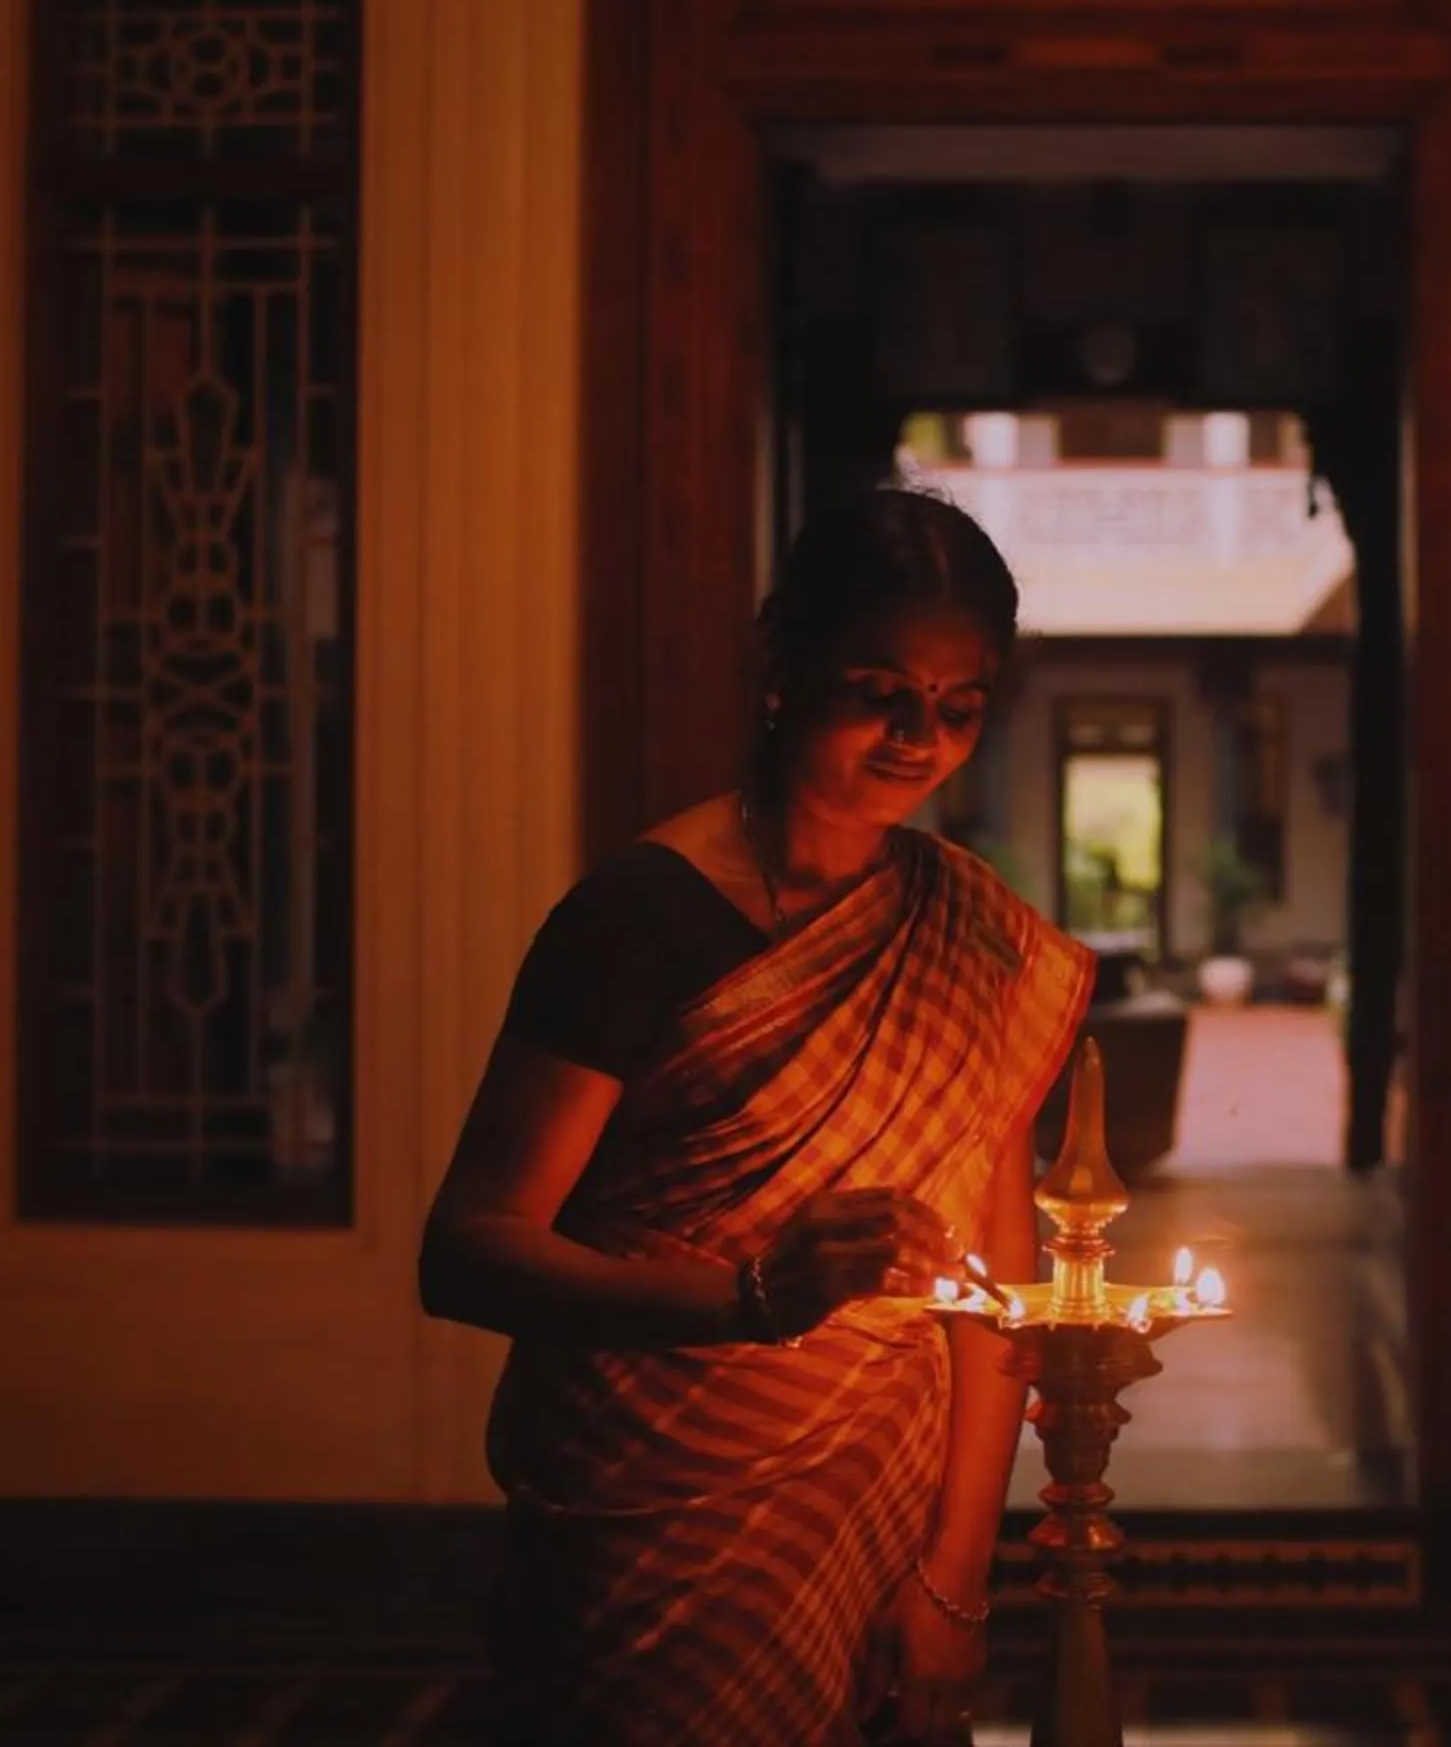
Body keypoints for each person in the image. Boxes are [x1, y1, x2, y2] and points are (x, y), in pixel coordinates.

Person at [419, 486, 1093, 1745]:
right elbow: (467, 1247)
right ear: (782, 665)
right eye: (879, 691)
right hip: (655, 1518)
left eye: (959, 706)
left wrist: (955, 1578)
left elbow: (993, 1292)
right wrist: (749, 1300)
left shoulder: (972, 938)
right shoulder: (638, 917)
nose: (918, 738)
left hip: (880, 1514)